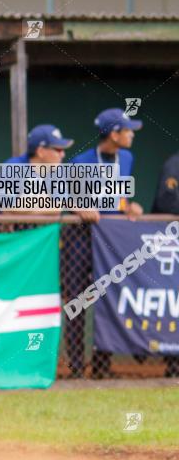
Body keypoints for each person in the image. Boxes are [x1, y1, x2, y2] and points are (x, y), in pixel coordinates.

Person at [67, 108, 145, 379]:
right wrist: (80, 208)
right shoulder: (81, 162)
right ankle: (76, 367)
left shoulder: (127, 157)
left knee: (111, 299)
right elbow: (63, 198)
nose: (132, 134)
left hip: (112, 239)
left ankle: (102, 365)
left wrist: (129, 206)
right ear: (114, 134)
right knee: (77, 299)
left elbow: (120, 195)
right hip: (81, 239)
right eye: (128, 130)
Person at [151, 151, 179, 377]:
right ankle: (174, 363)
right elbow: (167, 201)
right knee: (172, 303)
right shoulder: (174, 163)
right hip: (168, 242)